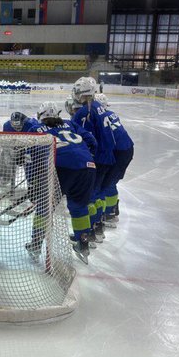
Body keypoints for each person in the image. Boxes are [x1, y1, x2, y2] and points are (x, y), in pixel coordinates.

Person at [27, 101, 97, 263]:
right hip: (87, 167)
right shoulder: (70, 124)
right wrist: (83, 157)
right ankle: (83, 243)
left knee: (45, 208)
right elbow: (92, 141)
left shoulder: (36, 129)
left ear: (40, 116)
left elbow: (31, 158)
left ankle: (36, 245)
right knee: (79, 207)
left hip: (59, 168)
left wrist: (32, 183)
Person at [72, 77, 116, 241]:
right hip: (108, 157)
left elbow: (83, 139)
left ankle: (88, 233)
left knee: (89, 198)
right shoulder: (98, 107)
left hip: (97, 159)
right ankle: (98, 228)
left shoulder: (85, 112)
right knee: (98, 195)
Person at [95, 94, 133, 228]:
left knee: (107, 182)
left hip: (119, 152)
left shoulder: (98, 117)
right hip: (127, 149)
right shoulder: (111, 114)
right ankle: (111, 210)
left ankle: (110, 213)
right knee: (111, 181)